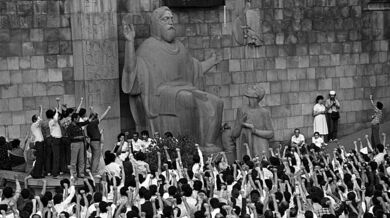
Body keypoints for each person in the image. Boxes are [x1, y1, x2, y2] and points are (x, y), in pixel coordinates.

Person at [122, 6, 224, 150]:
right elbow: (132, 75)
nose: (170, 23)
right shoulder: (147, 48)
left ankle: (208, 144)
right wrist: (129, 43)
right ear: (156, 24)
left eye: (171, 19)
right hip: (160, 95)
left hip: (185, 89)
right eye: (165, 19)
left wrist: (211, 62)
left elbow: (194, 69)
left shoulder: (180, 47)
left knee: (216, 102)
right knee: (195, 101)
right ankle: (194, 145)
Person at [232, 85, 274, 158]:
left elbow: (270, 133)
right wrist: (240, 124)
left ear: (258, 98)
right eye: (249, 98)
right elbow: (234, 134)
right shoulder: (242, 110)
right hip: (246, 145)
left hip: (260, 148)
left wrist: (254, 131)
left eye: (253, 98)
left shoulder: (264, 112)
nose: (251, 100)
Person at [87, 105, 111, 177]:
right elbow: (102, 117)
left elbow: (93, 115)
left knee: (94, 157)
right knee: (96, 158)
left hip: (92, 141)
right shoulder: (93, 123)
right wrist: (108, 109)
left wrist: (91, 110)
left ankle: (92, 171)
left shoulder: (88, 125)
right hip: (95, 142)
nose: (98, 118)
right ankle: (94, 173)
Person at [67, 113, 91, 179]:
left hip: (81, 143)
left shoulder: (79, 124)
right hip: (74, 143)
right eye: (77, 118)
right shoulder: (70, 127)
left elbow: (87, 122)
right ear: (74, 119)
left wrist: (92, 114)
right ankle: (74, 174)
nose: (78, 119)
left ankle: (81, 173)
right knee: (73, 160)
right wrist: (78, 137)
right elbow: (69, 137)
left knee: (81, 159)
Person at [48, 99, 65, 178]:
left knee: (58, 157)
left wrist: (58, 103)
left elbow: (58, 114)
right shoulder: (52, 121)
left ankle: (57, 171)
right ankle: (55, 173)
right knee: (56, 157)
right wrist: (57, 110)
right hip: (55, 140)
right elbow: (56, 117)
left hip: (58, 140)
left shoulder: (54, 121)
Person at [30, 105, 45, 178]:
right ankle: (36, 174)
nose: (38, 118)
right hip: (38, 143)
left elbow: (40, 119)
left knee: (41, 159)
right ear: (34, 120)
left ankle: (38, 174)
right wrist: (41, 110)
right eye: (36, 117)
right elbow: (40, 119)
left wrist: (41, 110)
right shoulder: (33, 125)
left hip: (40, 143)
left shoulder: (36, 125)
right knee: (39, 159)